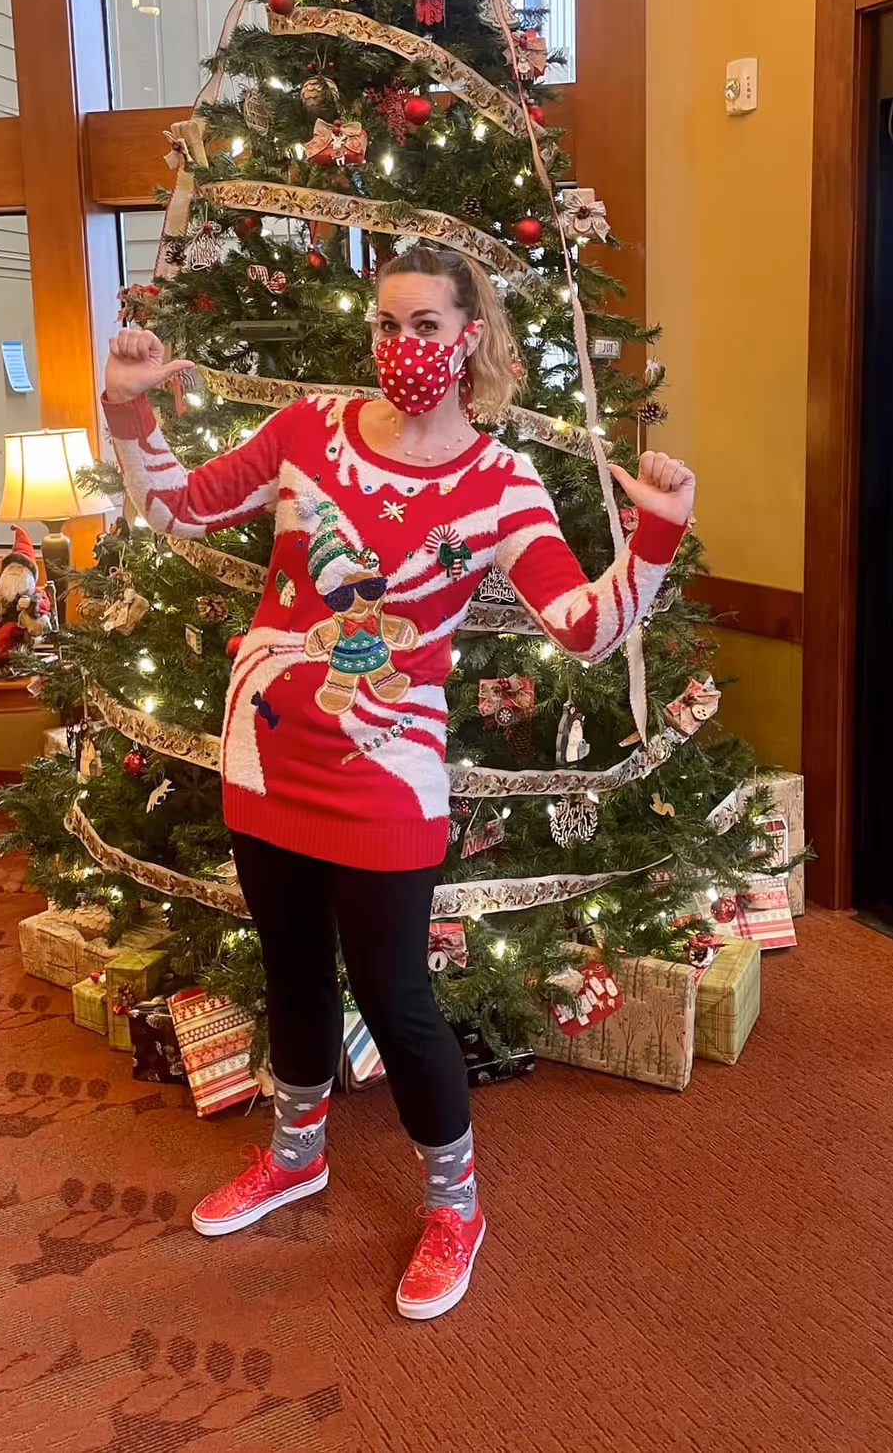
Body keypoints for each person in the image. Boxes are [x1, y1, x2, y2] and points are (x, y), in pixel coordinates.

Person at [102, 243, 695, 1322]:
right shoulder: (306, 432)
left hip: (388, 765)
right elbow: (179, 510)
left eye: (424, 325)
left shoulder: (499, 480)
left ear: (472, 337)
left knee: (396, 995)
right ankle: (296, 1154)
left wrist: (655, 532)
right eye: (385, 324)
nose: (400, 347)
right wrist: (131, 411)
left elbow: (585, 629)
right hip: (268, 742)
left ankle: (455, 1203)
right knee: (289, 963)